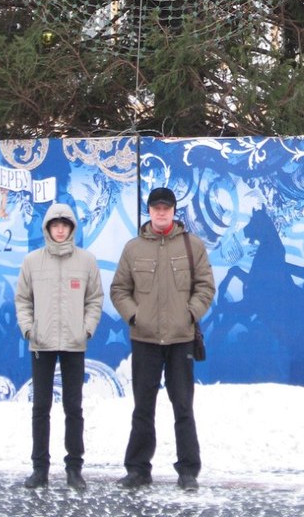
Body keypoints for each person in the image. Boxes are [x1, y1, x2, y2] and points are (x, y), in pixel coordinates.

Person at [110, 186, 215, 491]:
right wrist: (134, 316)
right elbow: (119, 289)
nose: (161, 212)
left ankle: (188, 471)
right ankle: (138, 469)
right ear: (149, 211)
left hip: (181, 339)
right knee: (143, 407)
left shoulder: (192, 245)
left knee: (183, 406)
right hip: (144, 341)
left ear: (173, 211)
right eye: (156, 207)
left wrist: (190, 314)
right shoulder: (133, 248)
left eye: (166, 207)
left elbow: (205, 287)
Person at [14, 202, 103, 491]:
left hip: (75, 345)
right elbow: (23, 300)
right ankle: (40, 469)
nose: (60, 229)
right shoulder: (32, 261)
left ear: (72, 227)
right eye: (56, 224)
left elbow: (95, 299)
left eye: (65, 224)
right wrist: (29, 329)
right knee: (41, 407)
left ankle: (74, 469)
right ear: (48, 228)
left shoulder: (86, 261)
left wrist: (86, 329)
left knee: (73, 407)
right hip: (42, 344)